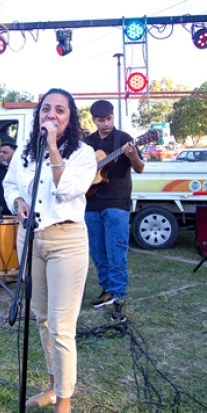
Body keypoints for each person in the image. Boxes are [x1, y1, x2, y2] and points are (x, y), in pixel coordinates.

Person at [2, 88, 97, 413]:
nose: (51, 115)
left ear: (70, 117)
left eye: (60, 110)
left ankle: (64, 407)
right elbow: (10, 183)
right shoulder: (26, 152)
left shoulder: (83, 153)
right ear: (38, 114)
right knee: (41, 318)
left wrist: (54, 147)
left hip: (66, 240)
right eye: (46, 109)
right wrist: (17, 202)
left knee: (61, 326)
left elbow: (68, 189)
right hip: (30, 237)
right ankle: (54, 386)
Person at [83, 100, 144, 317]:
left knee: (116, 249)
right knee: (97, 251)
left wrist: (132, 155)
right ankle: (106, 289)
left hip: (117, 203)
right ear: (94, 120)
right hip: (91, 202)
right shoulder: (87, 142)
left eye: (109, 118)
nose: (106, 123)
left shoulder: (124, 139)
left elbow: (140, 168)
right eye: (101, 120)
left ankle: (119, 293)